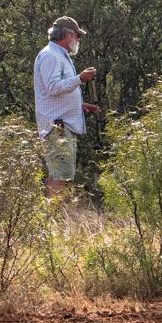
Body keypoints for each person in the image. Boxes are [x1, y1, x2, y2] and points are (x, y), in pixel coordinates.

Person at [34, 15, 98, 194]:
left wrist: (79, 105)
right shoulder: (51, 56)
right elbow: (53, 87)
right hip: (57, 126)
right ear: (67, 35)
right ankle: (51, 218)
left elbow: (55, 91)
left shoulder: (57, 55)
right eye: (77, 36)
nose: (78, 39)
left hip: (61, 124)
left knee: (59, 174)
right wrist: (80, 78)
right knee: (61, 176)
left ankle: (50, 217)